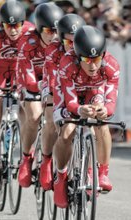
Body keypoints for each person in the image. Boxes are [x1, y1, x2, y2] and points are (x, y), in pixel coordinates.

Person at [53, 25, 120, 208]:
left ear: (103, 55)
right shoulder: (67, 63)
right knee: (67, 131)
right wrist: (79, 109)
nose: (93, 65)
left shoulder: (111, 65)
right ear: (77, 56)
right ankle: (61, 175)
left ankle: (102, 172)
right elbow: (70, 101)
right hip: (70, 94)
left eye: (96, 59)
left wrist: (105, 109)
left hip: (94, 91)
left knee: (102, 123)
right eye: (86, 60)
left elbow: (111, 100)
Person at [0, 0, 34, 195]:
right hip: (0, 75)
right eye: (8, 25)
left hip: (22, 74)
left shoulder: (30, 32)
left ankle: (27, 155)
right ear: (1, 24)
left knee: (27, 112)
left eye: (17, 25)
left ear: (23, 22)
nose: (12, 30)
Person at [17, 2, 63, 188]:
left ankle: (46, 160)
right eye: (48, 30)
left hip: (51, 83)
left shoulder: (61, 43)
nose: (53, 35)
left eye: (56, 30)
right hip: (31, 82)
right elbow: (26, 75)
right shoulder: (27, 42)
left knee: (52, 120)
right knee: (34, 116)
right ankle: (26, 158)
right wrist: (41, 86)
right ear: (38, 28)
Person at [40, 13, 86, 191]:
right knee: (52, 119)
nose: (72, 46)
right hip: (55, 84)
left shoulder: (86, 46)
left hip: (79, 86)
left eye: (75, 41)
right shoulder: (53, 50)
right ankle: (46, 159)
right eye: (68, 42)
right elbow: (53, 82)